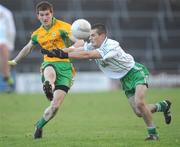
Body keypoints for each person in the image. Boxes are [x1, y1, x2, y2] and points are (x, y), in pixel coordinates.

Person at [42, 23, 172, 141]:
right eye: (90, 35)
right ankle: (163, 106)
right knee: (139, 112)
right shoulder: (91, 45)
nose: (90, 38)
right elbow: (75, 50)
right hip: (124, 79)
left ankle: (153, 134)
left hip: (136, 72)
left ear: (102, 35)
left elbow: (89, 55)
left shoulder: (111, 45)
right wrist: (53, 52)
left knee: (140, 103)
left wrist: (63, 55)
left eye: (93, 35)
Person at [8, 1, 83, 139]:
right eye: (41, 15)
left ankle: (39, 125)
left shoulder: (63, 27)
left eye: (47, 14)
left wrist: (64, 50)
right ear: (38, 16)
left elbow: (80, 42)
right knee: (49, 72)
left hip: (66, 67)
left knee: (54, 107)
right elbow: (27, 48)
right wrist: (14, 61)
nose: (45, 17)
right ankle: (48, 85)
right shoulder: (38, 34)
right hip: (49, 64)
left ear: (52, 13)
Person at [0, 4, 16, 92]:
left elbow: (11, 31)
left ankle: (7, 79)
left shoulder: (5, 13)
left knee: (2, 48)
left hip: (4, 42)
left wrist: (10, 46)